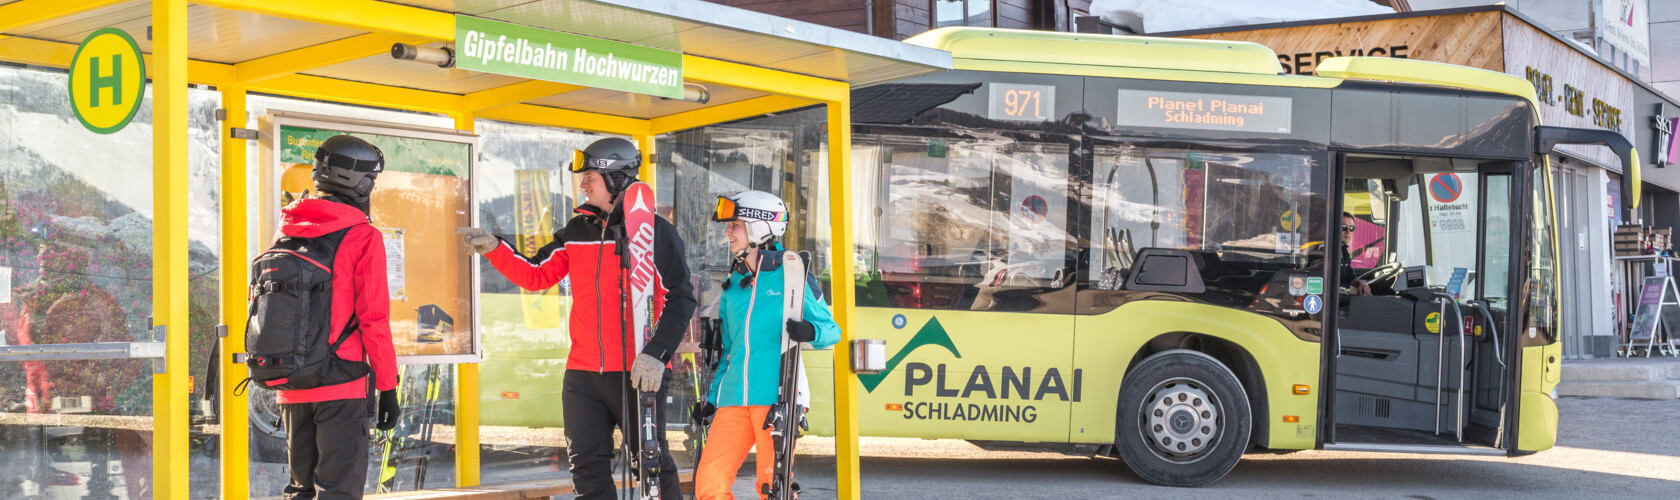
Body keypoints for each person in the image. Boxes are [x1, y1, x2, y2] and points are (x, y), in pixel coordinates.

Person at [456, 137, 694, 499]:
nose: (582, 184)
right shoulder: (576, 231)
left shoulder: (655, 233)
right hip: (583, 375)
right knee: (586, 469)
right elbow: (536, 274)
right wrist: (494, 247)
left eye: (590, 177)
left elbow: (681, 298)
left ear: (615, 180)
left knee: (651, 465)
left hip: (637, 370)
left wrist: (657, 354)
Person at [275, 135, 401, 499]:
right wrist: (387, 387)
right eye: (371, 180)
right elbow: (373, 320)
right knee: (338, 491)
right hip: (341, 385)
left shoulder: (286, 230)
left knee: (300, 491)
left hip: (292, 384)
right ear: (358, 182)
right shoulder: (362, 236)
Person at [693, 190, 840, 500]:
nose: (727, 232)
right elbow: (729, 351)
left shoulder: (794, 274)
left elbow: (832, 330)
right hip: (733, 398)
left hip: (776, 397)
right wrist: (712, 396)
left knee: (771, 487)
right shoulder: (734, 284)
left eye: (735, 224)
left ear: (760, 227)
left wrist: (809, 330)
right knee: (709, 483)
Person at [1341, 212, 1373, 296]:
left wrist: (1361, 284)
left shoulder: (1343, 251)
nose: (1348, 231)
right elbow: (1328, 285)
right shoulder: (1326, 252)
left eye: (1351, 228)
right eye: (1344, 227)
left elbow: (1350, 276)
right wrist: (1356, 291)